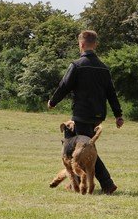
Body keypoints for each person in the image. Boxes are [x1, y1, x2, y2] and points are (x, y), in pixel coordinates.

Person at [48, 30, 124, 194]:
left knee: (85, 148)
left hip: (81, 114)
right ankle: (74, 182)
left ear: (81, 44)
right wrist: (118, 114)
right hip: (98, 115)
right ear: (95, 45)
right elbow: (111, 93)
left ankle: (107, 183)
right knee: (82, 146)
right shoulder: (103, 68)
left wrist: (53, 101)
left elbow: (64, 85)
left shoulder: (77, 65)